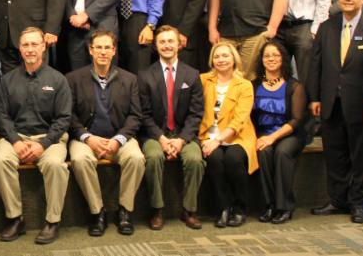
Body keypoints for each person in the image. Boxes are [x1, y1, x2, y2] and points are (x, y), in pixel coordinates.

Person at [0, 27, 72, 245]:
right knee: (0, 161)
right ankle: (15, 218)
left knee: (56, 165)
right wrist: (16, 142)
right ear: (19, 48)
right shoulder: (7, 80)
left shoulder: (58, 80)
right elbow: (2, 115)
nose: (30, 49)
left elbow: (63, 119)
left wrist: (43, 145)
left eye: (34, 44)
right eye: (25, 45)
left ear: (43, 46)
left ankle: (52, 221)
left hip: (49, 138)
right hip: (15, 137)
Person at [308, 0, 363, 224]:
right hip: (330, 103)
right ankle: (338, 201)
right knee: (335, 155)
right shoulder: (327, 27)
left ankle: (358, 203)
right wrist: (315, 97)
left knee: (362, 156)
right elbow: (315, 65)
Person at [67, 30, 145, 236]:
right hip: (85, 138)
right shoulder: (73, 79)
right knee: (80, 159)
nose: (103, 52)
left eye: (107, 47)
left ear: (114, 50)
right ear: (90, 50)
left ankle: (125, 211)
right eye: (98, 47)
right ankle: (97, 212)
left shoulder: (130, 79)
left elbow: (136, 116)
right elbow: (68, 116)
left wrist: (119, 140)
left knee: (136, 158)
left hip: (119, 138)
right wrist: (87, 137)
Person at [138, 26, 205, 230]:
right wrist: (162, 139)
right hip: (154, 134)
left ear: (179, 45)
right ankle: (157, 209)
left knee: (195, 159)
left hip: (184, 135)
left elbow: (196, 114)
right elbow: (144, 115)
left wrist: (181, 139)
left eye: (170, 41)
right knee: (154, 157)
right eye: (162, 42)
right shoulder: (145, 76)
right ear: (156, 46)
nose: (167, 45)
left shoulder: (192, 75)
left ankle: (189, 209)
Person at [198, 42, 258, 228]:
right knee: (214, 159)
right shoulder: (203, 80)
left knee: (234, 158)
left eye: (225, 56)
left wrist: (218, 140)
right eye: (217, 56)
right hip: (208, 134)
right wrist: (212, 140)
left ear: (234, 59)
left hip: (237, 135)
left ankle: (240, 207)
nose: (221, 60)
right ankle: (223, 208)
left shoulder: (245, 85)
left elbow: (239, 120)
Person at [251, 41, 307, 224]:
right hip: (262, 134)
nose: (271, 59)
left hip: (288, 134)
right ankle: (269, 205)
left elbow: (297, 120)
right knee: (264, 153)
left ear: (283, 58)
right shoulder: (254, 85)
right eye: (267, 55)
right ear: (261, 60)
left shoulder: (294, 86)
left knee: (282, 153)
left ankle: (285, 207)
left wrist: (272, 137)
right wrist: (259, 138)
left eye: (275, 55)